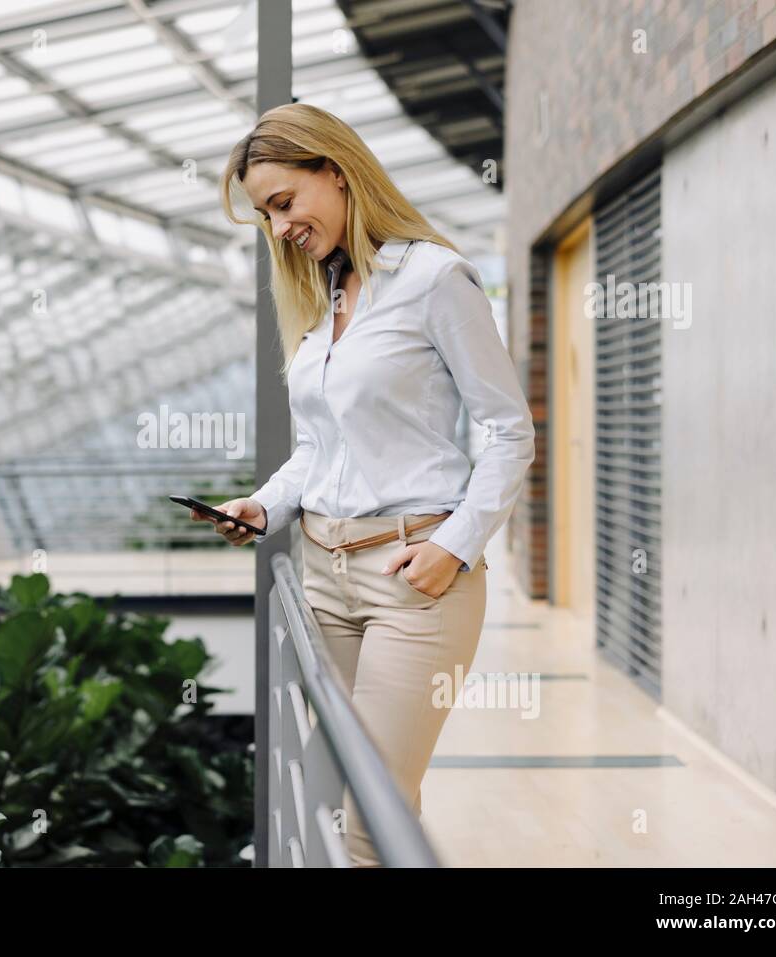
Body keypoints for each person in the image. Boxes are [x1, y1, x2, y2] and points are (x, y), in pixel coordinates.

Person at [190, 103, 535, 867]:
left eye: (284, 203)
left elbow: (510, 432)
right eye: (263, 214)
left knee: (367, 824)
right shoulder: (325, 298)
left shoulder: (436, 279)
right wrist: (264, 505)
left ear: (336, 173)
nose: (278, 228)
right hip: (323, 578)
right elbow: (319, 447)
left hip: (413, 580)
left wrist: (455, 547)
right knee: (368, 794)